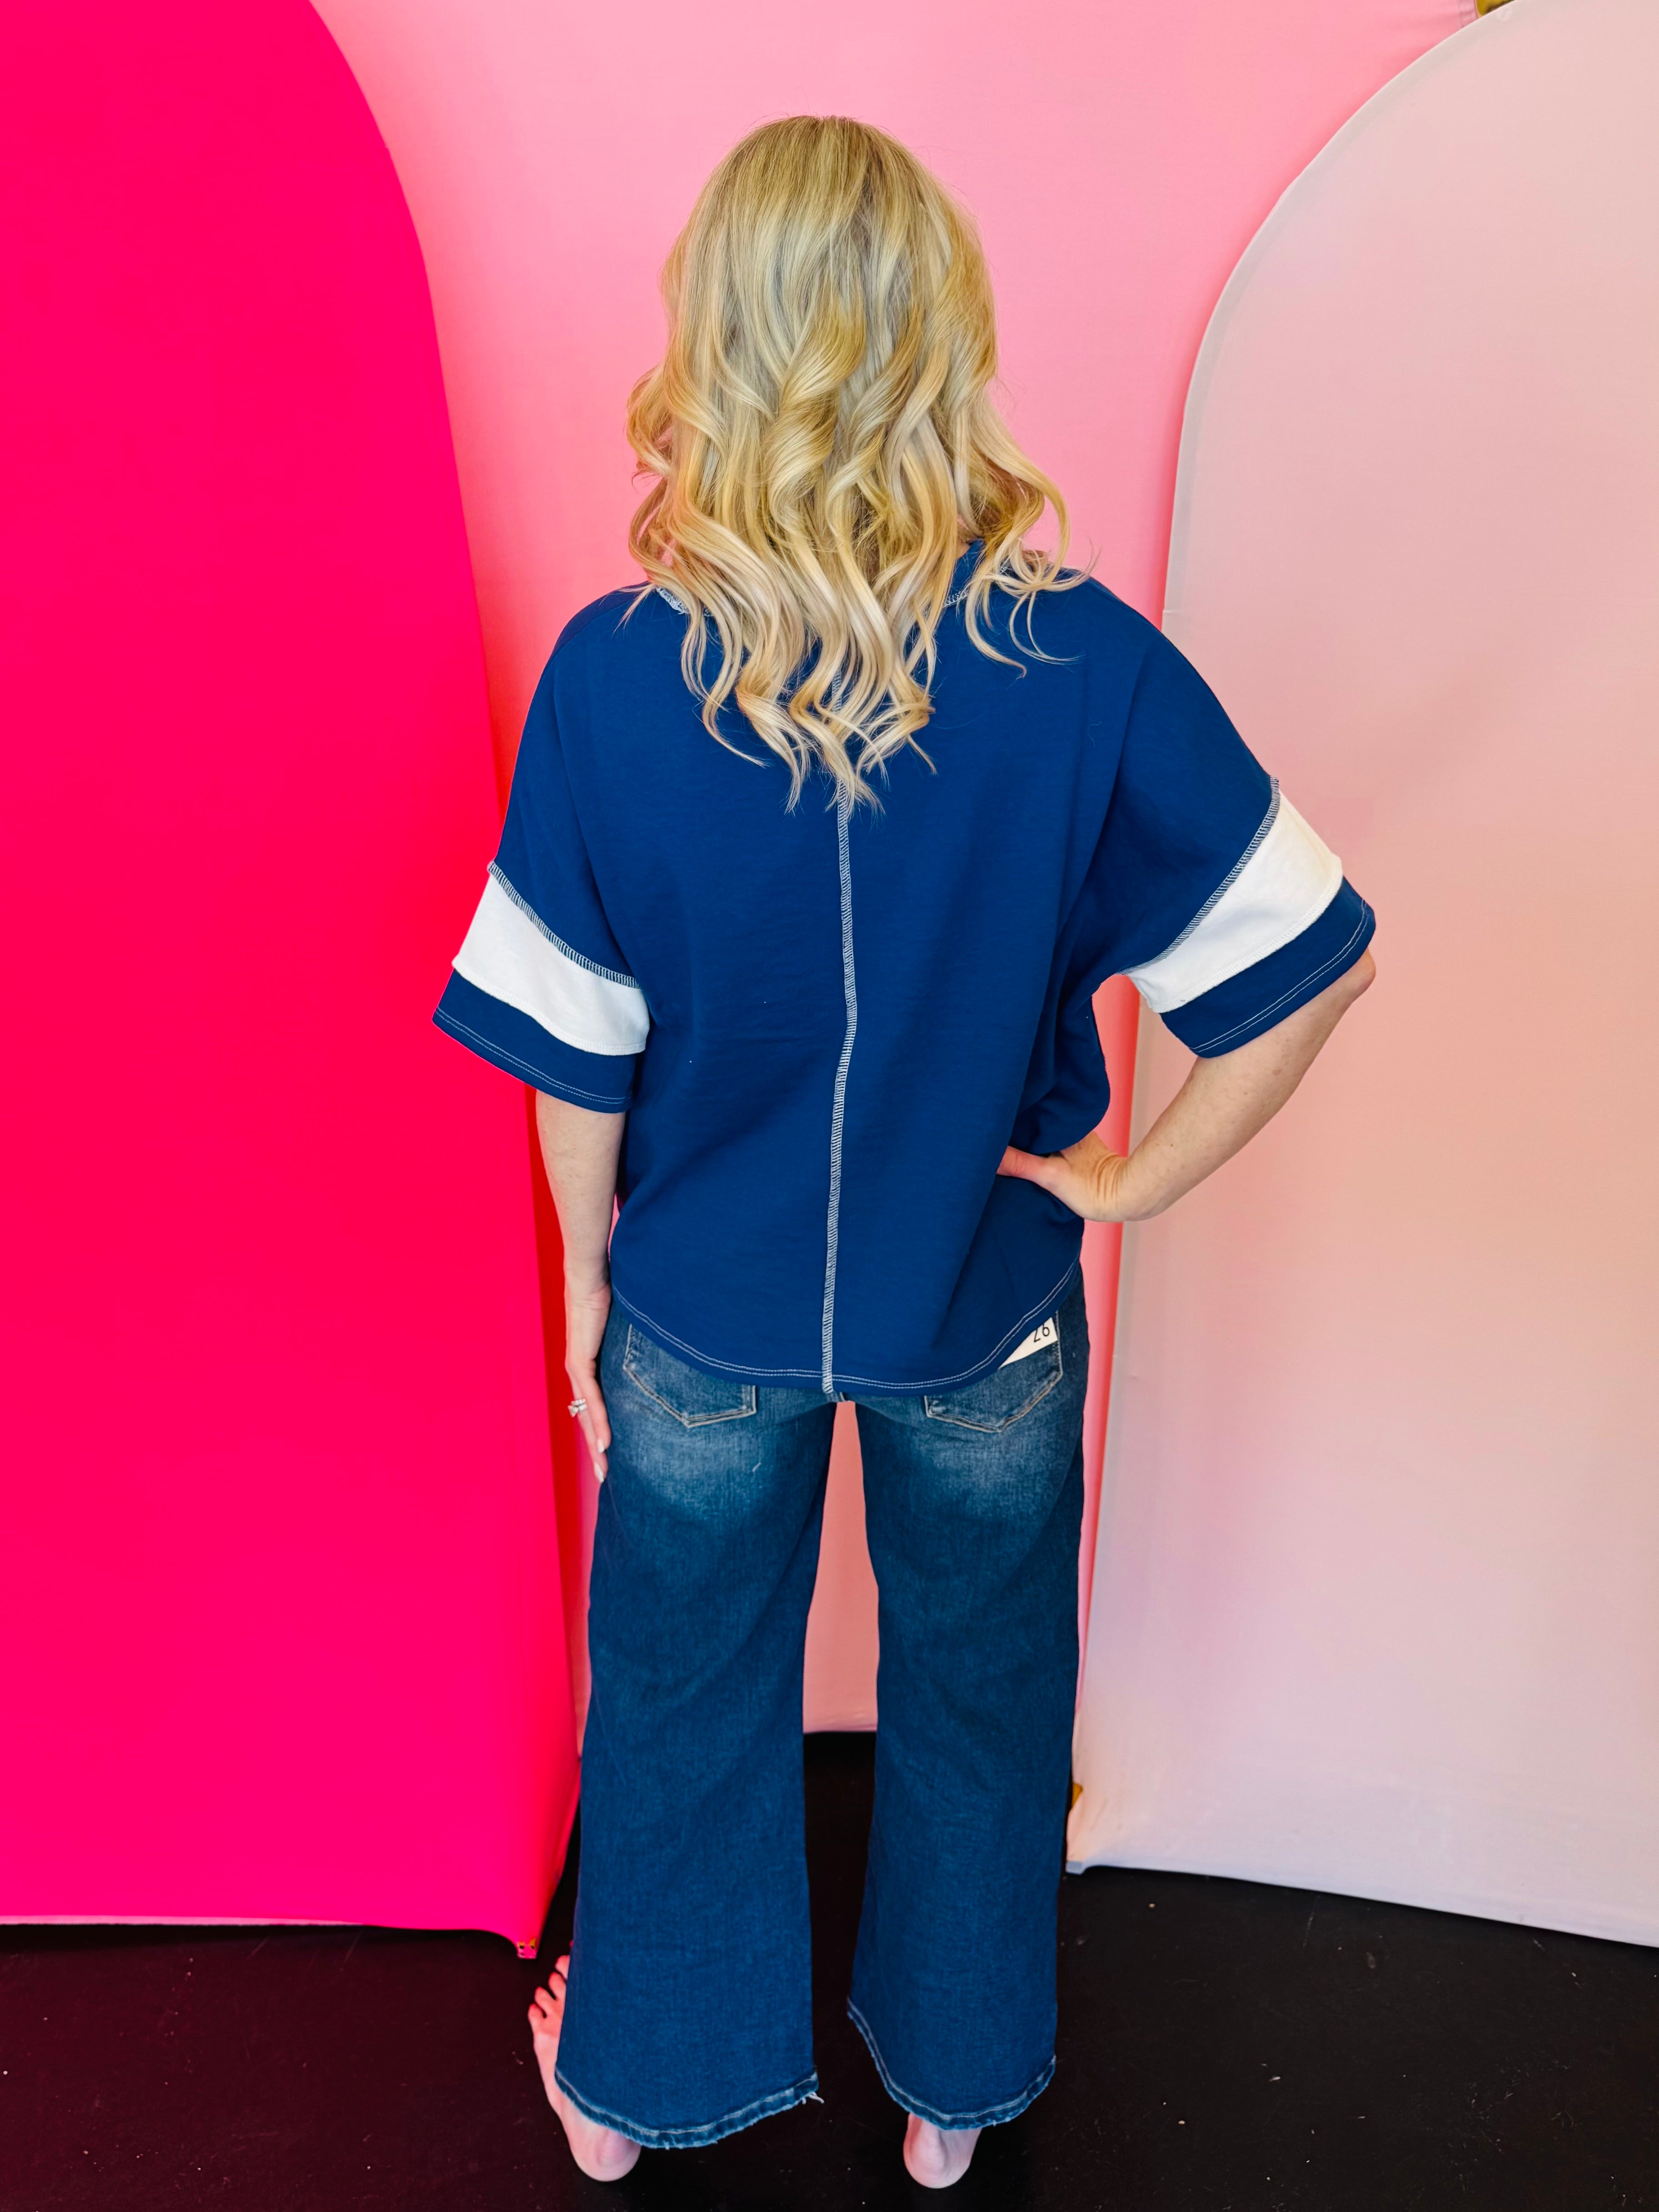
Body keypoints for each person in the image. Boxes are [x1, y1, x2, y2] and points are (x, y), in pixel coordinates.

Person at [434, 115, 1375, 2189]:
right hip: (985, 1307)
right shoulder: (1086, 666)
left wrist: (582, 1276)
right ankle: (952, 2091)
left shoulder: (611, 676)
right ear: (946, 334)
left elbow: (576, 1047)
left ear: (713, 337)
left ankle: (623, 2094)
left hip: (704, 1305)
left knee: (675, 1686)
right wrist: (1124, 1187)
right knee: (982, 1682)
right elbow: (1309, 960)